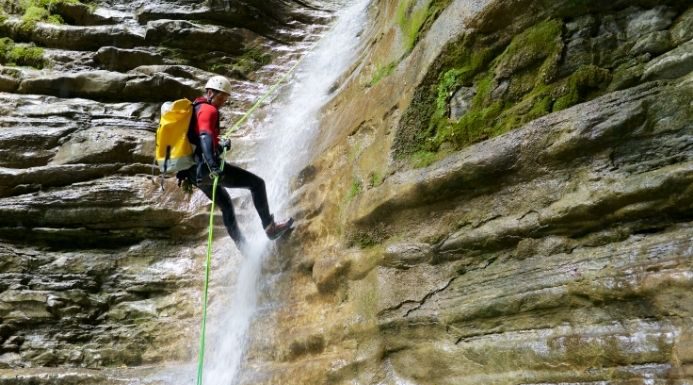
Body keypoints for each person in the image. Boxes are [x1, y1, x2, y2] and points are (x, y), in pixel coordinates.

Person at [177, 75, 293, 248]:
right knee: (257, 184)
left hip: (195, 174)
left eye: (225, 97)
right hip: (207, 168)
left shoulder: (196, 109)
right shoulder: (209, 110)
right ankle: (270, 227)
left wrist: (220, 145)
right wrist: (213, 165)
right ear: (210, 92)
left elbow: (200, 139)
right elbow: (204, 136)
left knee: (226, 205)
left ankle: (244, 249)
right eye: (220, 96)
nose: (223, 101)